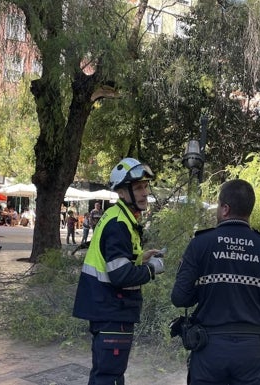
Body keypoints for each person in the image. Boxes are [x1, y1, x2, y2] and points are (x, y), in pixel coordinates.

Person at [171, 179, 260, 385]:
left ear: (225, 209)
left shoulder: (200, 243)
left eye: (218, 205)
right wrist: (253, 293)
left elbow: (180, 298)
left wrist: (206, 290)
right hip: (252, 350)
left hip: (209, 348)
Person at [73, 157, 166, 385]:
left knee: (104, 375)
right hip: (112, 311)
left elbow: (113, 261)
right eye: (137, 188)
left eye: (145, 186)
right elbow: (120, 276)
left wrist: (138, 258)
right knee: (109, 378)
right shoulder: (119, 224)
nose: (145, 193)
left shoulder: (121, 216)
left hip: (106, 309)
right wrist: (151, 269)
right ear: (122, 193)